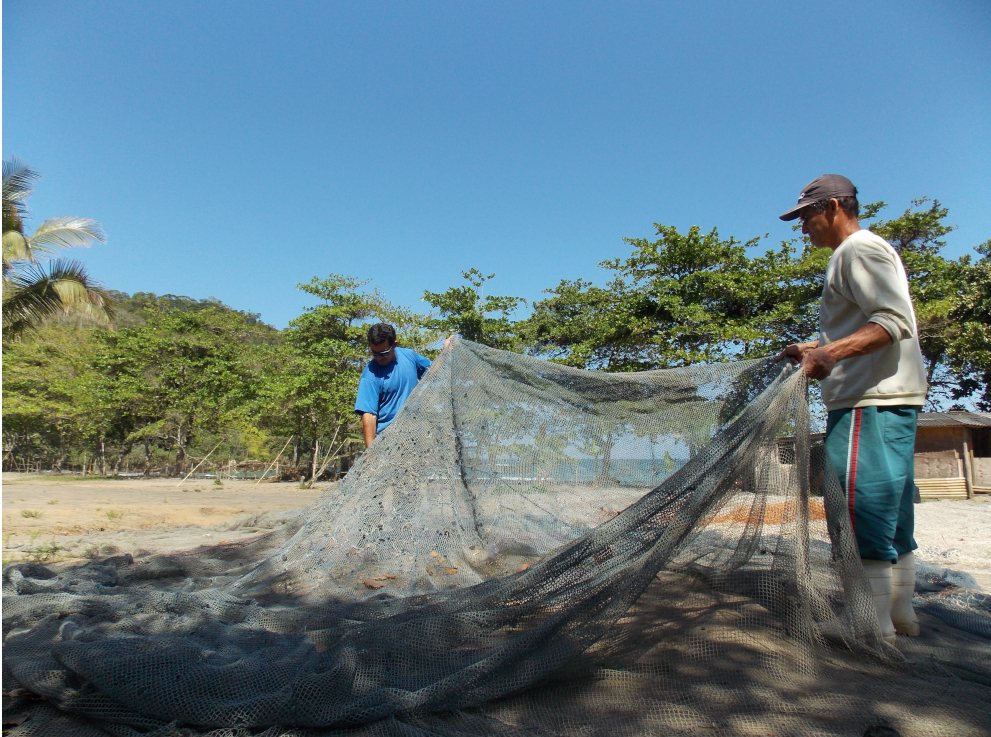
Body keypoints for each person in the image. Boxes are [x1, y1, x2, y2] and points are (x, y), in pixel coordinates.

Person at [777, 174, 928, 642]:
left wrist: (830, 356)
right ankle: (900, 613)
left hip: (867, 400)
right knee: (891, 507)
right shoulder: (865, 251)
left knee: (858, 507)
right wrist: (814, 345)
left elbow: (893, 322)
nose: (803, 229)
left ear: (836, 206)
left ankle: (869, 623)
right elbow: (870, 321)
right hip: (887, 399)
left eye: (807, 216)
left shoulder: (857, 250)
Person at [355, 323, 433, 448]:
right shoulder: (370, 375)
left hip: (416, 436)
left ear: (394, 345)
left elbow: (434, 372)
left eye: (383, 353)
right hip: (388, 443)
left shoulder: (409, 356)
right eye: (374, 353)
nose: (378, 358)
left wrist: (447, 350)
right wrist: (370, 455)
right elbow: (369, 416)